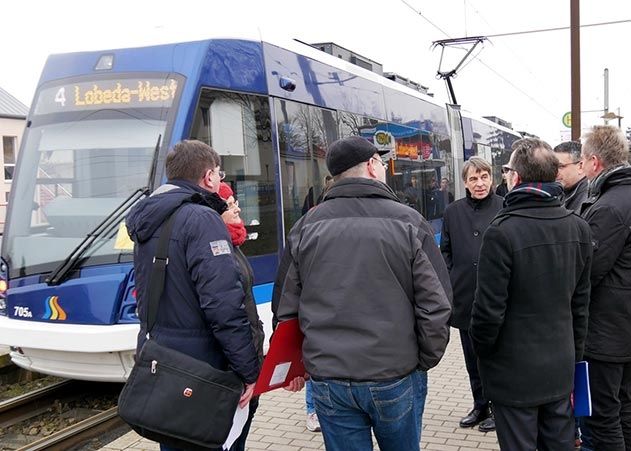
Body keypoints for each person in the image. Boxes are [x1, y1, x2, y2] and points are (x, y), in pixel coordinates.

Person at [276, 136, 452, 451]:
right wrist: (423, 358)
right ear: (372, 166)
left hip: (328, 378)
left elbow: (285, 307)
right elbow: (436, 304)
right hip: (394, 372)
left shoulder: (304, 227)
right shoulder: (409, 222)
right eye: (381, 162)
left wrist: (296, 365)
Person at [126, 140, 259, 451]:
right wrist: (249, 370)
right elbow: (224, 305)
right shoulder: (201, 219)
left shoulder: (152, 219)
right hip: (205, 371)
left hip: (165, 361)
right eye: (219, 174)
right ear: (209, 176)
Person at [470, 138, 592, 451]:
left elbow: (487, 313)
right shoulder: (578, 227)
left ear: (517, 178)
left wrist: (485, 358)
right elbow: (581, 306)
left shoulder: (501, 232)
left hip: (512, 377)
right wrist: (574, 359)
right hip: (560, 369)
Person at [440, 157, 503, 433]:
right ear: (465, 183)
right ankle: (480, 405)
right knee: (471, 358)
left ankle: (498, 408)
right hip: (465, 297)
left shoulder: (504, 207)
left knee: (494, 357)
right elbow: (445, 251)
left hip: (495, 297)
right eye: (474, 179)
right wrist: (453, 278)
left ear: (492, 178)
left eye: (484, 177)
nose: (480, 183)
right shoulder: (453, 212)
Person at [579, 125, 631, 451]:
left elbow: (588, 271)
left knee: (602, 417)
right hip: (623, 328)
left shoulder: (610, 206)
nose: (582, 167)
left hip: (607, 333)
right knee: (624, 408)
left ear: (595, 162)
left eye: (582, 160)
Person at [217, 182, 265, 451]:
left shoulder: (232, 244)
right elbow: (228, 316)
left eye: (235, 200)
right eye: (229, 202)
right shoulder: (218, 250)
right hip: (235, 372)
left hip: (245, 363)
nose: (236, 206)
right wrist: (248, 372)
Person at [553, 140, 588, 213]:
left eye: (561, 166)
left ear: (580, 166)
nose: (555, 172)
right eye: (553, 166)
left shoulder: (587, 199)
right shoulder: (561, 192)